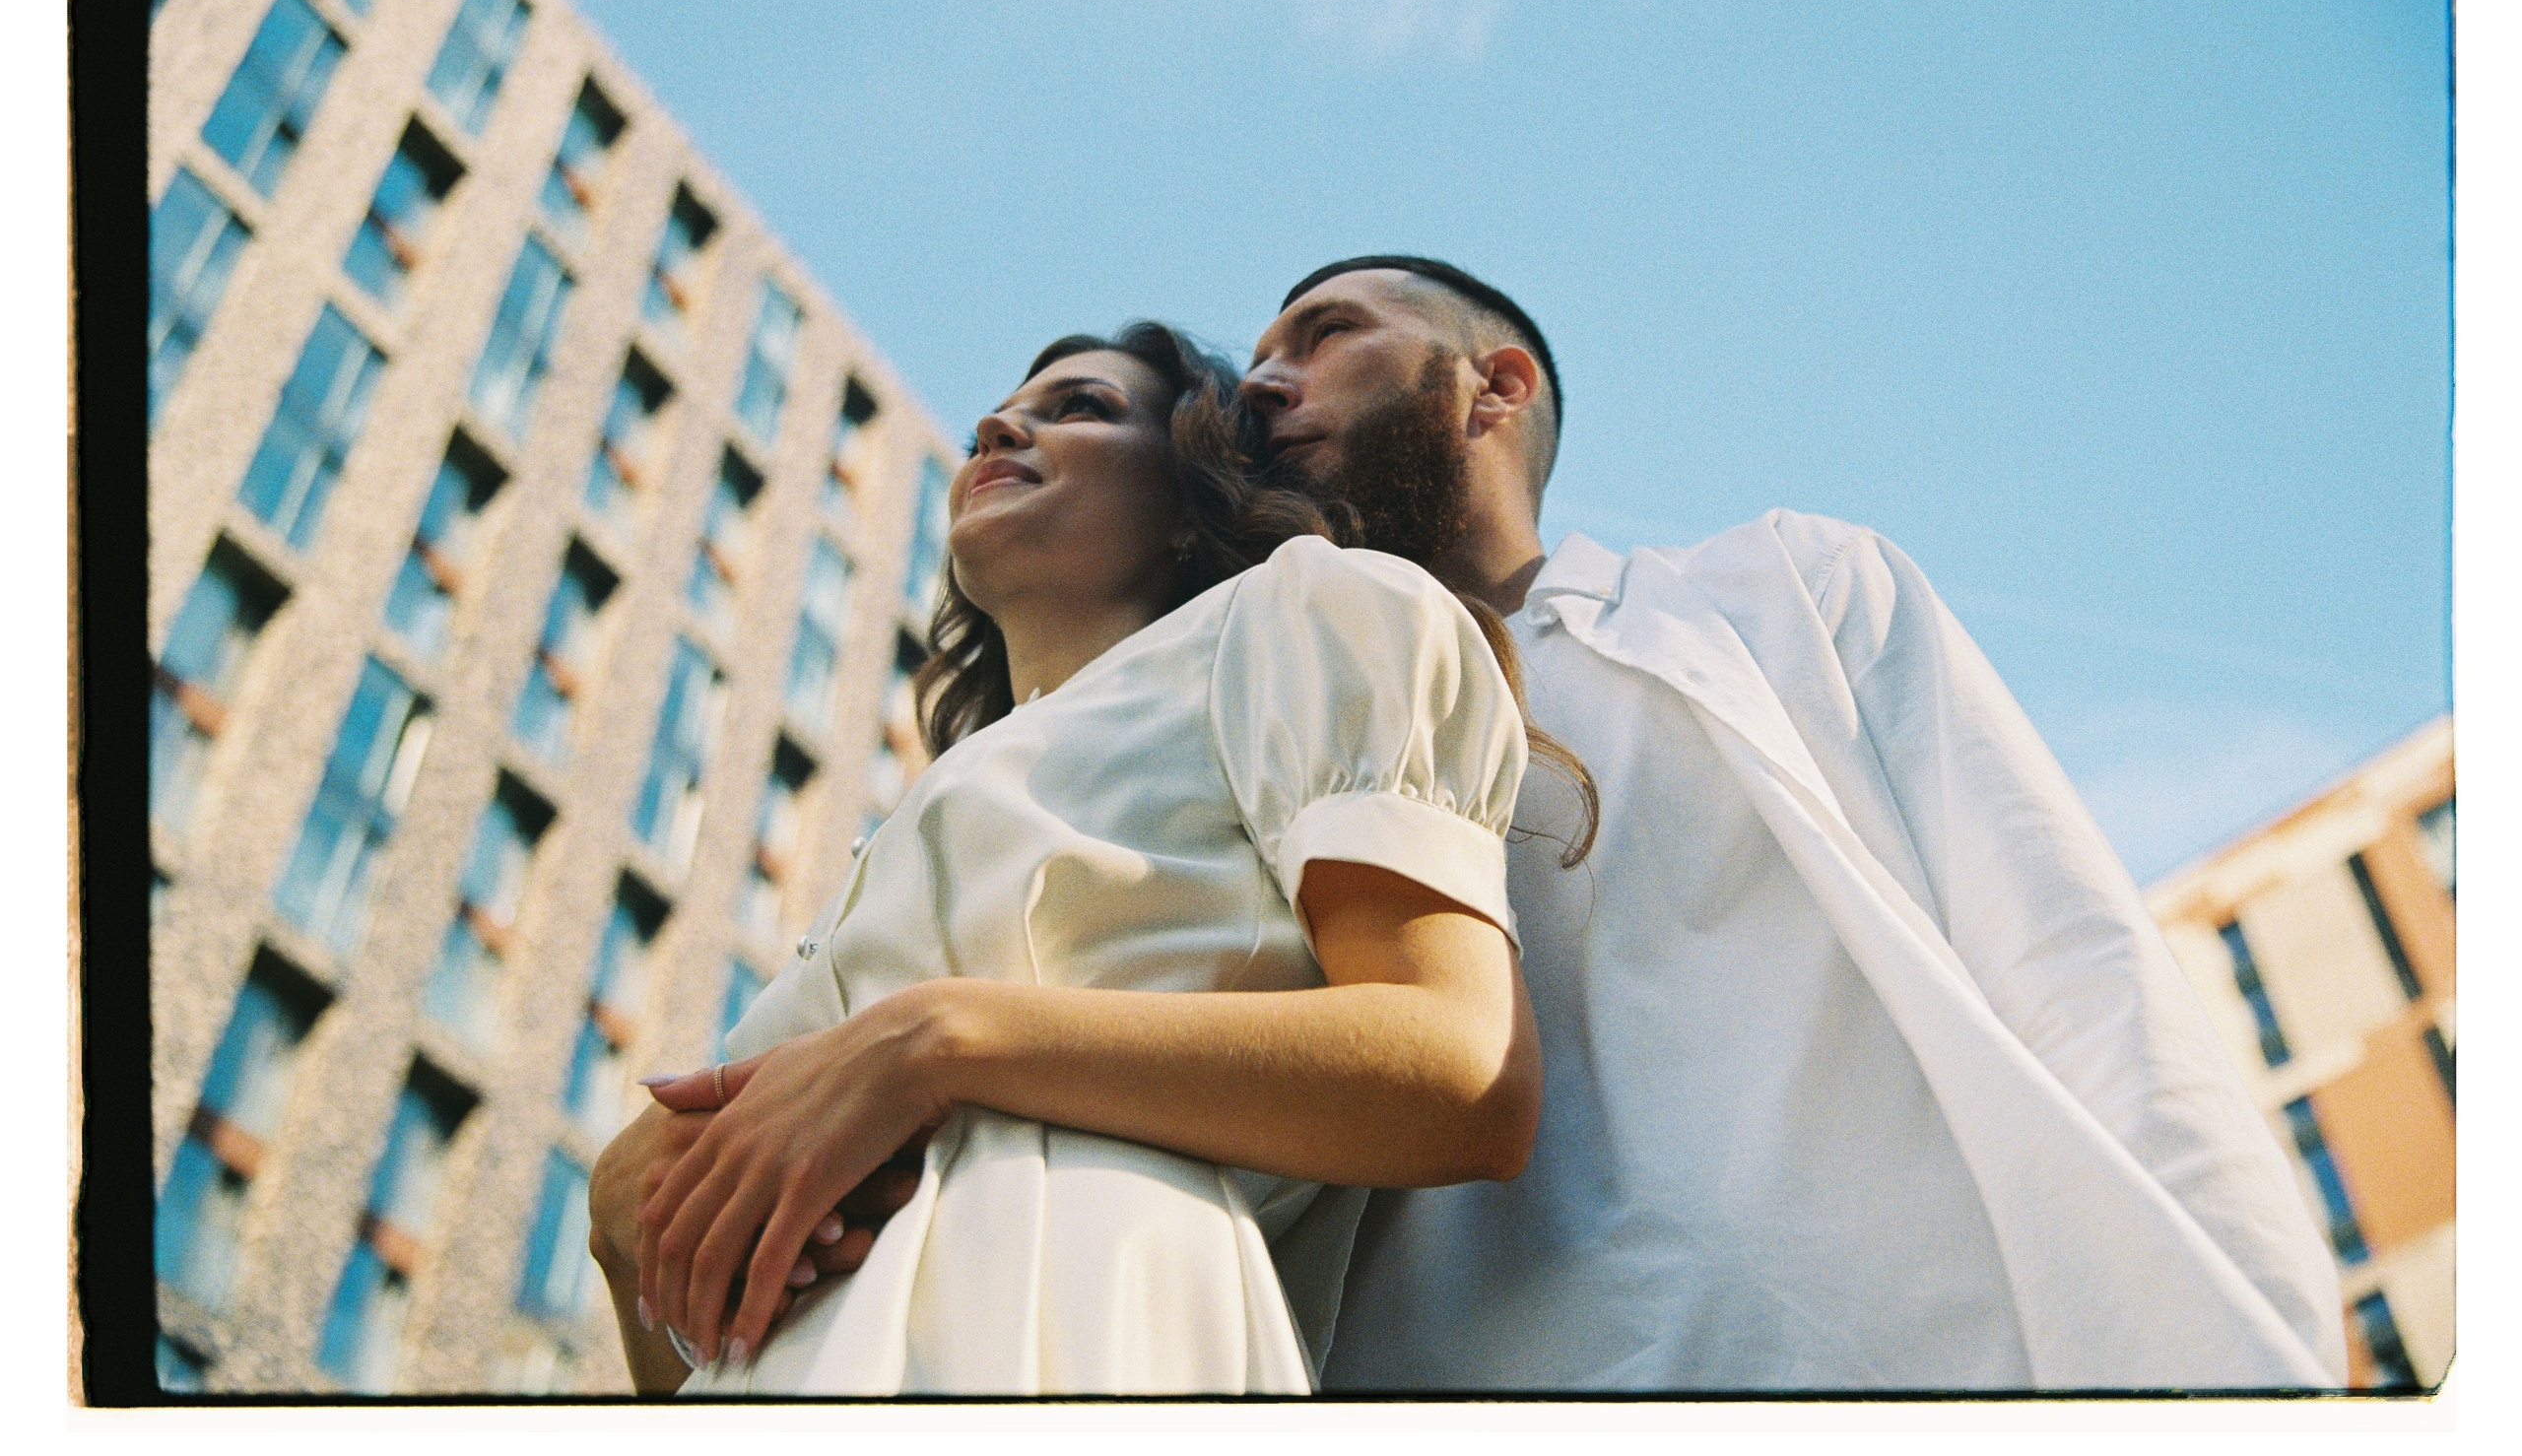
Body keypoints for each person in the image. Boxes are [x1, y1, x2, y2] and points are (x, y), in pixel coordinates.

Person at [1237, 255, 2349, 1392]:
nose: (1262, 383)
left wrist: (2252, 1366)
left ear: (1498, 386)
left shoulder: (1784, 592)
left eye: (1321, 336)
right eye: (1260, 359)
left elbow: (2078, 968)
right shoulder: (1269, 734)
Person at [585, 321, 1592, 1396]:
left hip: (1091, 1302)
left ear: (1188, 496)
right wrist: (627, 1218)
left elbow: (1457, 1069)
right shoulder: (928, 817)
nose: (997, 422)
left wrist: (937, 1041)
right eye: (1004, 409)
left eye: (1082, 407)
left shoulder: (1314, 607)